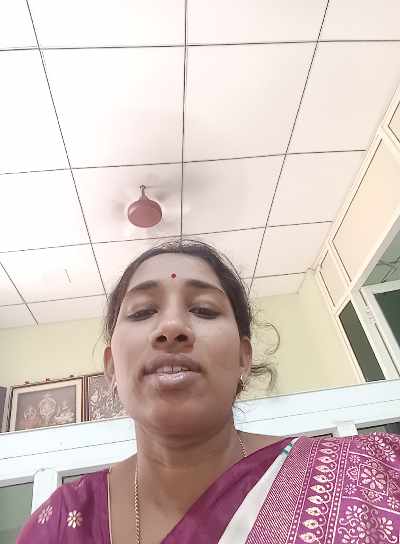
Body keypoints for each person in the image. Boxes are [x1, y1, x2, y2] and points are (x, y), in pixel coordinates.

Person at [17, 239, 400, 543]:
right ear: (112, 367)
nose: (171, 328)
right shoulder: (60, 527)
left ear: (243, 358)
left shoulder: (376, 472)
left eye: (203, 310)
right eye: (142, 311)